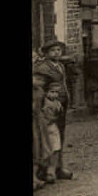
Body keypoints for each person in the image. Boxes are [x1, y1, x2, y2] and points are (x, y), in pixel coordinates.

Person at [32, 40, 74, 180]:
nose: (57, 52)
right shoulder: (43, 68)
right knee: (48, 136)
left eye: (58, 50)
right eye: (53, 50)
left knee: (60, 133)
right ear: (46, 53)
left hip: (61, 105)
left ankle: (58, 166)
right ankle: (46, 169)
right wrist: (47, 97)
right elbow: (39, 87)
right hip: (49, 107)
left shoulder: (60, 66)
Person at [39, 84, 65, 183]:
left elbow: (58, 114)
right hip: (44, 128)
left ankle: (51, 171)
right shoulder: (43, 102)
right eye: (52, 92)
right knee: (45, 149)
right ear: (46, 92)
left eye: (56, 92)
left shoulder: (57, 103)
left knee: (55, 148)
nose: (54, 95)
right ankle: (42, 170)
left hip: (53, 127)